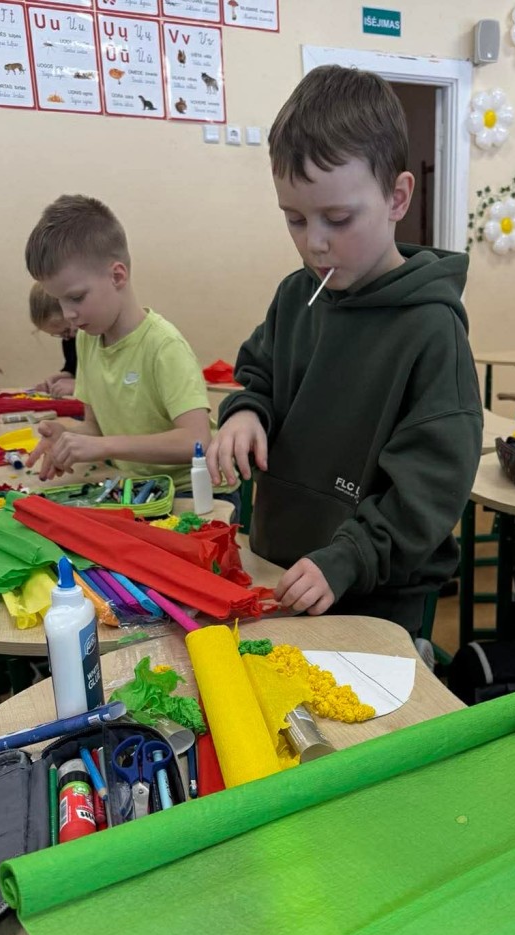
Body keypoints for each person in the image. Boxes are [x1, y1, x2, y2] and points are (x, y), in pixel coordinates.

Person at [208, 65, 482, 634]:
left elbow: (430, 487)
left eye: (337, 218)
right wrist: (245, 413)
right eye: (294, 219)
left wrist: (350, 557)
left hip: (375, 596)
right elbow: (259, 375)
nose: (314, 242)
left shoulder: (431, 328)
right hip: (277, 566)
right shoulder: (296, 295)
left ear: (397, 198)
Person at [24, 195, 225, 496]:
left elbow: (196, 441)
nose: (68, 314)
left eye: (76, 298)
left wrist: (104, 446)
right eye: (60, 301)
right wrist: (70, 437)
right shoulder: (87, 340)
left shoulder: (163, 346)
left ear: (117, 276)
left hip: (194, 492)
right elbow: (96, 428)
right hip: (136, 487)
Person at [28, 281, 77, 399]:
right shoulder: (69, 339)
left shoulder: (99, 336)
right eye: (60, 335)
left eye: (66, 331)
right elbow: (74, 368)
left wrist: (79, 385)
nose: (67, 338)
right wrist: (61, 377)